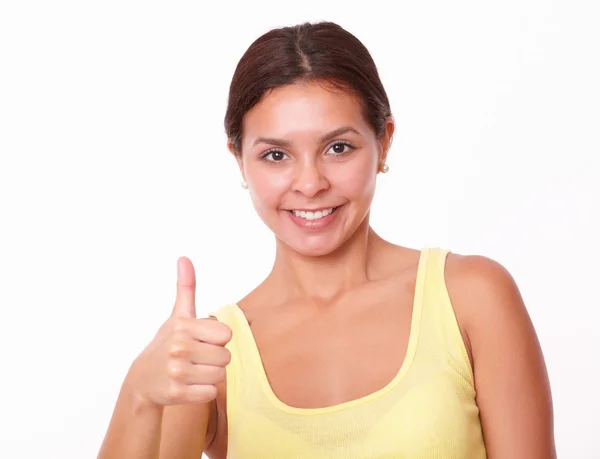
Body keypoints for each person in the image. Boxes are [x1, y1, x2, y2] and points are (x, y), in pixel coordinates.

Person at [98, 21, 556, 459]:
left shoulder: (472, 297)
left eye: (338, 147)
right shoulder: (211, 356)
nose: (310, 183)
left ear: (384, 142)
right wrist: (139, 393)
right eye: (275, 155)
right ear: (239, 161)